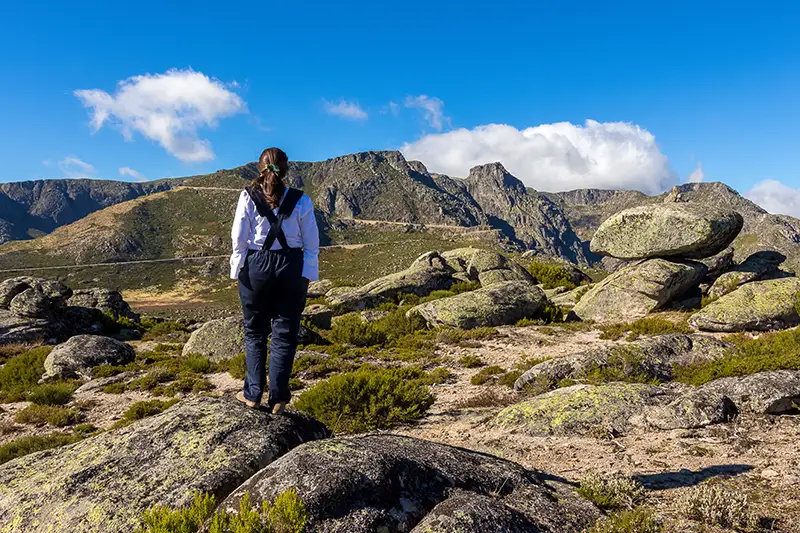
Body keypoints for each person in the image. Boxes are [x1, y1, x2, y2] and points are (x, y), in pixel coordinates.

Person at [229, 147, 319, 414]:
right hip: (291, 266)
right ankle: (278, 399)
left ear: (260, 168)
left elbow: (238, 239)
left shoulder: (247, 196)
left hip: (256, 266)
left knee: (255, 331)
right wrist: (307, 274)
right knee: (284, 333)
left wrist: (239, 269)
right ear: (286, 169)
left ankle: (252, 395)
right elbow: (312, 243)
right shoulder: (302, 200)